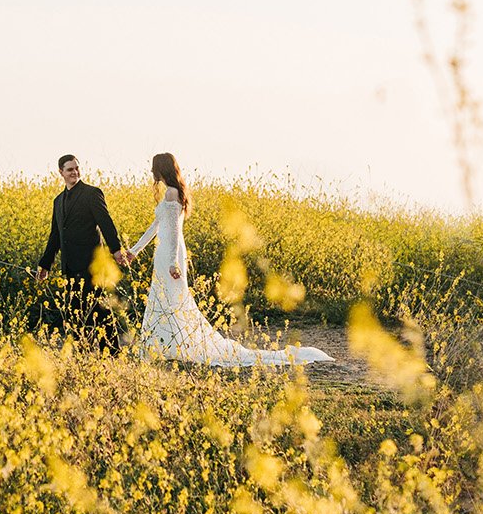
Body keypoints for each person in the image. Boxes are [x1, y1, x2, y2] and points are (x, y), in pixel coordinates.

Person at [126, 153, 332, 368]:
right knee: (166, 297)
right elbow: (155, 226)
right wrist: (134, 251)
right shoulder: (174, 192)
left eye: (154, 168)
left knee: (173, 297)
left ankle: (171, 344)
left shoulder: (171, 193)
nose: (151, 172)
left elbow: (175, 232)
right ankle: (169, 343)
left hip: (170, 252)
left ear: (161, 169)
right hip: (167, 252)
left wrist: (172, 262)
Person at [36, 153, 127, 345]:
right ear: (60, 172)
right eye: (70, 169)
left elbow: (106, 223)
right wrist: (45, 265)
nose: (74, 172)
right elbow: (56, 236)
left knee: (101, 311)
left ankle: (111, 353)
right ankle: (82, 354)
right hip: (70, 266)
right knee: (74, 313)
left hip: (92, 265)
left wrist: (116, 249)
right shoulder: (58, 201)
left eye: (77, 168)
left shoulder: (91, 193)